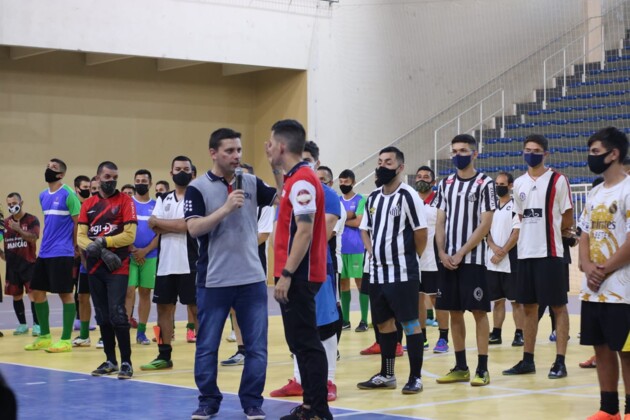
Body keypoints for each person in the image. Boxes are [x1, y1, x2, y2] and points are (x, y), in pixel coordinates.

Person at [186, 128, 277, 420]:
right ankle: (208, 400)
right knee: (207, 345)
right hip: (214, 280)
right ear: (213, 153)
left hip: (251, 278)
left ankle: (252, 400)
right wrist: (225, 208)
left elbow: (284, 198)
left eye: (239, 150)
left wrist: (276, 167)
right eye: (229, 151)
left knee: (257, 347)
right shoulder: (197, 188)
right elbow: (194, 228)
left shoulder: (250, 181)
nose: (236, 156)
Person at [266, 120, 332, 420]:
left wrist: (287, 275)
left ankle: (318, 411)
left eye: (270, 143)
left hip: (301, 276)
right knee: (300, 344)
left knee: (307, 344)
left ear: (281, 146)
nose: (268, 147)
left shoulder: (304, 181)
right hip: (296, 275)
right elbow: (286, 205)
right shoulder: (294, 179)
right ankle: (309, 407)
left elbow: (304, 231)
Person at [356, 146, 428, 395]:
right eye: (380, 162)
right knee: (384, 324)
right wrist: (371, 251)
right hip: (377, 273)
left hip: (403, 272)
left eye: (388, 162)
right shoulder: (373, 198)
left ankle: (415, 377)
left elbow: (421, 234)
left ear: (400, 167)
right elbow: (364, 228)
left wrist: (409, 258)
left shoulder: (409, 196)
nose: (382, 166)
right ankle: (387, 374)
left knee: (410, 323)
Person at [503, 134, 573, 379]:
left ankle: (560, 361)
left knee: (558, 307)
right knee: (528, 308)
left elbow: (567, 218)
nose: (530, 153)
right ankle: (527, 360)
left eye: (536, 150)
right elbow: (520, 217)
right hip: (525, 254)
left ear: (545, 154)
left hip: (551, 253)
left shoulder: (558, 180)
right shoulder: (519, 183)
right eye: (527, 149)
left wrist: (553, 232)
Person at [435, 134, 495, 387]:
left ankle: (482, 368)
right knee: (454, 312)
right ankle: (460, 367)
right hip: (448, 260)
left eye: (463, 150)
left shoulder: (485, 183)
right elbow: (440, 220)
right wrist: (441, 252)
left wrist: (462, 252)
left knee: (479, 312)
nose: (458, 155)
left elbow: (486, 223)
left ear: (474, 153)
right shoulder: (445, 183)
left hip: (473, 260)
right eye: (454, 150)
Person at [578, 127, 630, 420]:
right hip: (594, 288)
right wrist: (586, 266)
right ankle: (608, 409)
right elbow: (584, 233)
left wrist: (603, 269)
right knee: (602, 348)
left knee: (627, 350)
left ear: (614, 154)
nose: (591, 157)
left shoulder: (629, 189)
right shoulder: (595, 191)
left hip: (622, 288)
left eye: (596, 152)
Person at [78, 161, 137, 379]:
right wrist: (102, 251)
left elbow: (130, 235)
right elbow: (81, 238)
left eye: (114, 177)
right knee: (102, 315)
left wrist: (102, 242)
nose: (111, 181)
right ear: (98, 177)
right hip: (95, 267)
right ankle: (110, 360)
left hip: (118, 267)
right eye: (107, 177)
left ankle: (127, 362)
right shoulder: (88, 204)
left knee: (118, 313)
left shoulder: (125, 201)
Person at [141, 156, 198, 370]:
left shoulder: (197, 196)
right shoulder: (163, 198)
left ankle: (203, 356)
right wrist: (176, 224)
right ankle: (164, 355)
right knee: (163, 309)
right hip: (165, 263)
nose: (181, 171)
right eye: (177, 168)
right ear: (171, 172)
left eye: (186, 168)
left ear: (193, 173)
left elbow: (188, 226)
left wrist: (164, 223)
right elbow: (152, 226)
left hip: (191, 262)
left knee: (196, 308)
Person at [220, 163, 274, 368]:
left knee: (254, 306)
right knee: (234, 306)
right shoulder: (230, 199)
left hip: (254, 259)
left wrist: (239, 244)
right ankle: (242, 349)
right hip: (231, 258)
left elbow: (264, 234)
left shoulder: (264, 202)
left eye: (244, 177)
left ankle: (255, 349)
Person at [25, 159, 81, 353]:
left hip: (62, 252)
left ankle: (65, 340)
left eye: (54, 168)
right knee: (37, 293)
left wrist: (75, 245)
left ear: (61, 174)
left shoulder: (68, 195)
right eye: (48, 166)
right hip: (45, 252)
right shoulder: (43, 195)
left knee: (65, 294)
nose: (49, 169)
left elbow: (77, 223)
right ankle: (45, 336)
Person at [486, 172, 524, 347]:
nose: (498, 186)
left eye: (502, 184)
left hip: (511, 261)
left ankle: (519, 334)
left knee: (516, 302)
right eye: (496, 183)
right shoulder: (491, 207)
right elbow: (485, 231)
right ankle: (496, 333)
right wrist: (494, 248)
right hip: (492, 261)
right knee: (497, 301)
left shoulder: (516, 206)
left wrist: (502, 252)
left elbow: (517, 233)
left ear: (510, 186)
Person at [415, 166, 450, 354]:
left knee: (438, 300)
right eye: (419, 176)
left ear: (433, 182)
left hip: (434, 258)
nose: (422, 179)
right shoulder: (411, 200)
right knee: (417, 300)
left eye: (426, 177)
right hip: (414, 259)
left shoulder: (440, 202)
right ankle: (421, 338)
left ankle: (443, 338)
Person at [125, 169, 159, 345]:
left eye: (144, 181)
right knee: (129, 291)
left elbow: (160, 233)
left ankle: (141, 333)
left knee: (145, 292)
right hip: (129, 255)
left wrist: (145, 251)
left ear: (150, 184)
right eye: (137, 180)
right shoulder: (128, 203)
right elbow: (122, 228)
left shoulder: (157, 205)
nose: (140, 183)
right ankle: (123, 331)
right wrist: (132, 249)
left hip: (150, 255)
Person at [1, 193, 40, 336]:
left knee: (33, 295)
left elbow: (34, 238)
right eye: (9, 204)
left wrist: (18, 229)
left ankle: (37, 325)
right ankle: (22, 325)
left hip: (29, 264)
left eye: (14, 203)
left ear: (21, 202)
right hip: (12, 266)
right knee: (16, 296)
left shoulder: (31, 220)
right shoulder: (4, 223)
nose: (12, 206)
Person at [337, 169, 369, 332]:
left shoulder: (361, 199)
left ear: (353, 182)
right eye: (341, 182)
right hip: (340, 248)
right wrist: (347, 217)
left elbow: (358, 222)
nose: (343, 184)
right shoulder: (337, 200)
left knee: (360, 283)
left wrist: (341, 220)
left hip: (356, 247)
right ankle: (346, 320)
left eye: (346, 182)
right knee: (343, 284)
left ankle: (364, 319)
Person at [72, 175, 97, 347]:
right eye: (91, 189)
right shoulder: (85, 208)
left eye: (95, 188)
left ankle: (105, 336)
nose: (93, 191)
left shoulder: (110, 208)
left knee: (104, 299)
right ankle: (84, 335)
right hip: (85, 261)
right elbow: (80, 234)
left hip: (104, 260)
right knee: (82, 296)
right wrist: (82, 256)